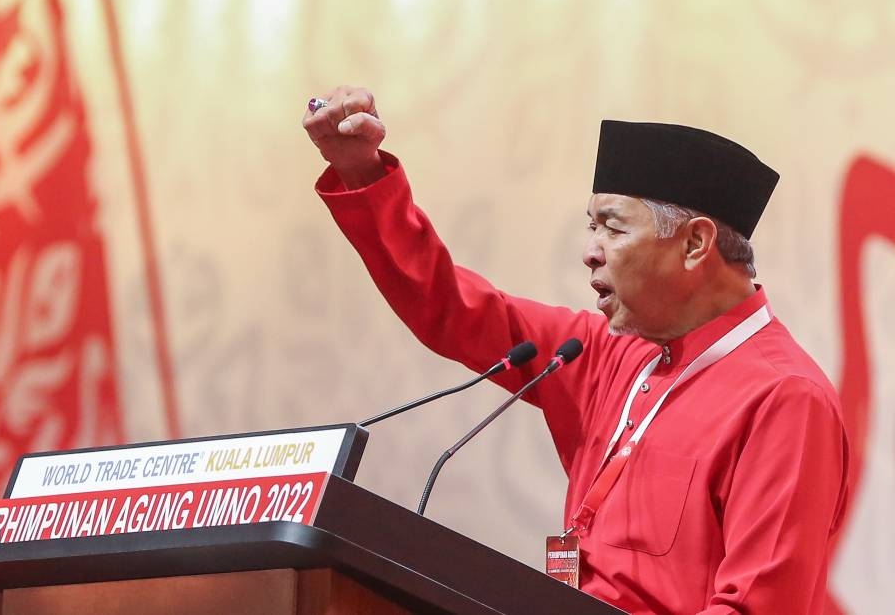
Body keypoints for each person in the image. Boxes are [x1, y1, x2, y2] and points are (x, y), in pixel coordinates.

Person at [302, 86, 849, 615]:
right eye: (592, 227)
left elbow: (759, 608)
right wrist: (363, 176)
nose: (589, 253)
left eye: (612, 228)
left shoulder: (783, 399)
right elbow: (449, 306)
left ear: (695, 244)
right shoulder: (606, 354)